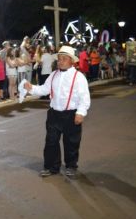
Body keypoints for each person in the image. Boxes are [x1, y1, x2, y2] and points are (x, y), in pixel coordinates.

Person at [24, 46, 91, 178]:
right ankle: (51, 167)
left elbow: (84, 97)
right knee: (51, 141)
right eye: (59, 59)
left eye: (64, 59)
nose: (60, 61)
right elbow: (44, 89)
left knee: (71, 142)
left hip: (71, 114)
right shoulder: (53, 75)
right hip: (54, 114)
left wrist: (80, 113)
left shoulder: (79, 77)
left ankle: (71, 166)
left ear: (72, 61)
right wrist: (31, 88)